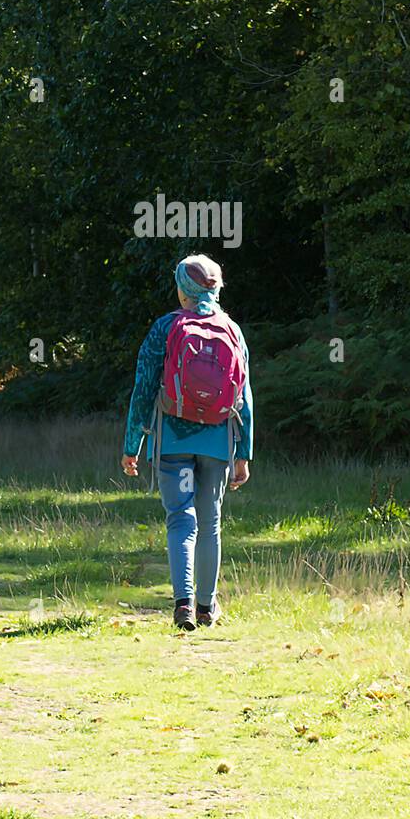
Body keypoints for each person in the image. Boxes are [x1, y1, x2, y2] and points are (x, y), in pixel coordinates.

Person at [122, 253, 253, 630]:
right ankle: (207, 607)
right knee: (210, 522)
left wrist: (133, 445)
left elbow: (144, 388)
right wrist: (243, 453)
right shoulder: (232, 329)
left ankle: (182, 604)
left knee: (181, 519)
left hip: (173, 441)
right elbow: (244, 396)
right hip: (217, 442)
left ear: (183, 291)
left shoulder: (165, 328)